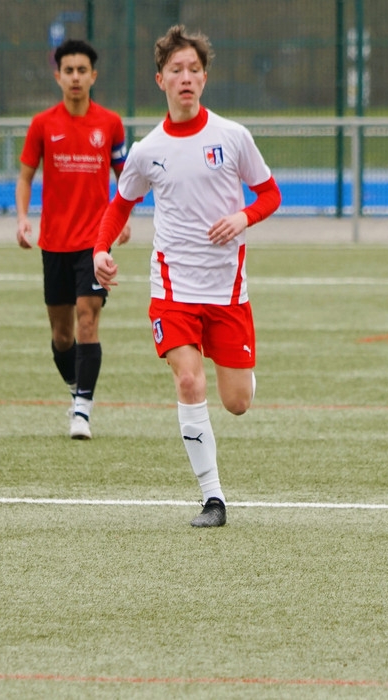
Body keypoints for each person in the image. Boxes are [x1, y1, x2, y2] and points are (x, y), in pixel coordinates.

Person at [92, 25, 281, 528]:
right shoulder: (146, 150)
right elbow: (119, 205)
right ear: (160, 80)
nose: (186, 78)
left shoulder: (232, 137)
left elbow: (270, 195)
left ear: (205, 78)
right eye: (176, 70)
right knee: (190, 380)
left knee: (237, 402)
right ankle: (213, 499)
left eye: (194, 70)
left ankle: (237, 375)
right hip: (173, 291)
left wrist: (243, 217)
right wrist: (99, 249)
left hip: (228, 293)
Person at [16, 39, 130, 440]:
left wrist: (122, 218)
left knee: (88, 317)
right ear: (58, 76)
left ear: (93, 76)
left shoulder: (111, 123)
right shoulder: (42, 124)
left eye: (83, 70)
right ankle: (77, 387)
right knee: (62, 337)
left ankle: (82, 409)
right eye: (69, 71)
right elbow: (26, 176)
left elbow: (124, 175)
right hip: (54, 243)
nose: (76, 77)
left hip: (94, 242)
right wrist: (23, 220)